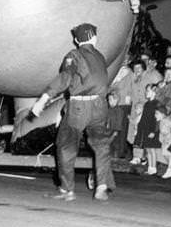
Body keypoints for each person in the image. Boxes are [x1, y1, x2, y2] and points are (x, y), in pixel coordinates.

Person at [30, 23, 114, 202]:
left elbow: (65, 78)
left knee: (66, 145)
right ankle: (102, 186)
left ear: (76, 40)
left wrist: (44, 98)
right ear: (95, 38)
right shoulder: (100, 56)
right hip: (100, 106)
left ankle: (67, 190)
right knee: (101, 145)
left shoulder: (73, 55)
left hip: (79, 107)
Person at [134, 83, 162, 175]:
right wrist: (140, 128)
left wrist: (154, 131)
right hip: (145, 130)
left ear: (154, 92)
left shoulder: (157, 104)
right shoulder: (146, 104)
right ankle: (150, 167)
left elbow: (157, 119)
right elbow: (144, 118)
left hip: (152, 130)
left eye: (148, 90)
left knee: (152, 149)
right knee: (148, 149)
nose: (146, 92)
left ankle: (153, 168)